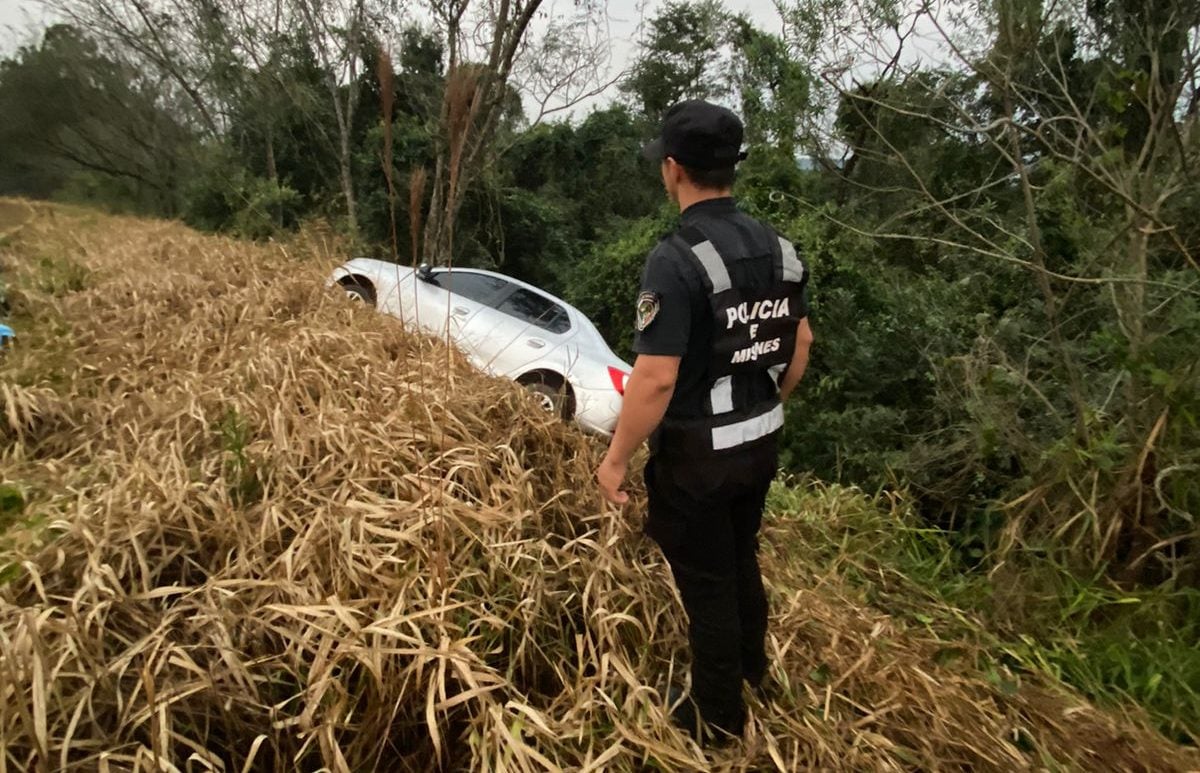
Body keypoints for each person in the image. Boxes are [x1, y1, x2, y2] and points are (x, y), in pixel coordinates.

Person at [595, 100, 814, 744]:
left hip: (697, 459)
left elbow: (656, 378)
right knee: (740, 557)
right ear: (731, 167)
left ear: (673, 169)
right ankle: (753, 672)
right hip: (761, 440)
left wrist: (614, 460)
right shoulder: (781, 248)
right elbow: (799, 347)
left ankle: (715, 718)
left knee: (709, 582)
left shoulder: (675, 258)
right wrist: (766, 403)